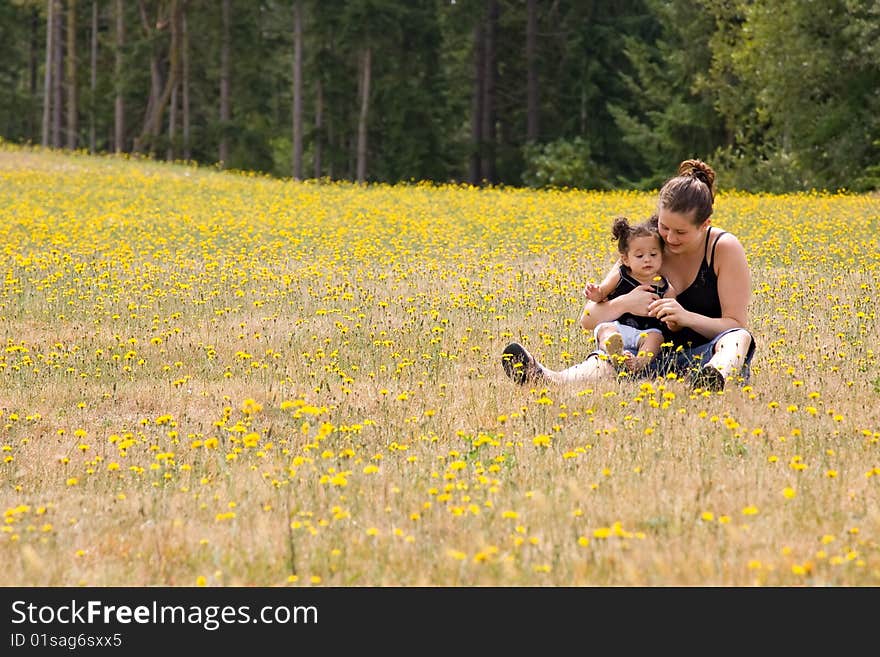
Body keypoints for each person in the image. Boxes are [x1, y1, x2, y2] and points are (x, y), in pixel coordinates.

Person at [501, 158, 755, 392]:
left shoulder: (722, 248)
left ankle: (713, 377)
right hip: (641, 357)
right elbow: (588, 319)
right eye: (664, 226)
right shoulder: (648, 246)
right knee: (607, 359)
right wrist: (625, 302)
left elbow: (734, 324)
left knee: (739, 338)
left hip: (703, 354)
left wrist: (686, 317)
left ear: (705, 224)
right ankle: (546, 378)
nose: (669, 237)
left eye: (680, 232)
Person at [583, 215, 675, 373]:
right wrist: (595, 293)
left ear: (662, 255)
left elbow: (672, 318)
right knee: (606, 330)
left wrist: (673, 321)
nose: (647, 260)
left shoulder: (666, 287)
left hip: (646, 333)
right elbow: (602, 293)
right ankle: (615, 353)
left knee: (656, 338)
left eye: (653, 255)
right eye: (640, 256)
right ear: (625, 260)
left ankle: (639, 362)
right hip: (618, 327)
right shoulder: (621, 275)